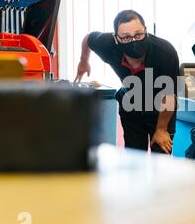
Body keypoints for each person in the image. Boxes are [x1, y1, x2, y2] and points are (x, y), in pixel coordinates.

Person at [74, 10, 179, 154]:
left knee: (160, 159)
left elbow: (169, 95)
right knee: (134, 159)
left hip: (161, 110)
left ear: (146, 31)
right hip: (131, 105)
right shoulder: (107, 44)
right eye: (126, 37)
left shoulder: (165, 52)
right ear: (116, 38)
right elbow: (89, 38)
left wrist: (161, 129)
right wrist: (83, 61)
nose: (133, 41)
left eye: (138, 34)